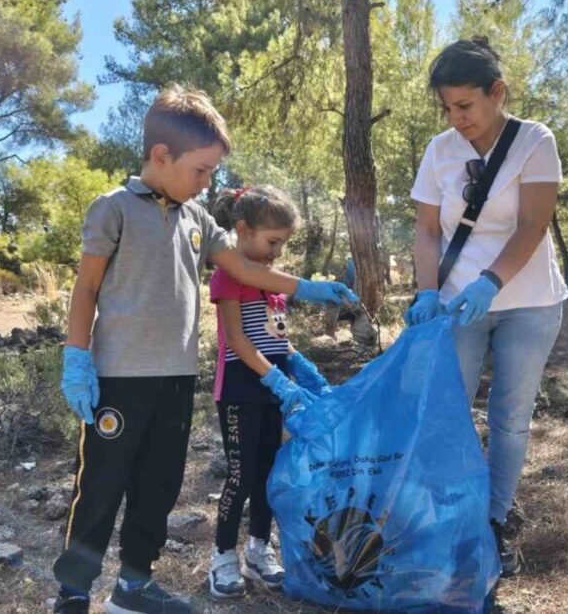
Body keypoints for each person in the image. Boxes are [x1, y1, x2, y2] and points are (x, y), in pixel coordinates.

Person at [51, 85, 357, 614]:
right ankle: (74, 593)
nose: (207, 181)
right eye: (201, 170)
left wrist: (302, 286)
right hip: (118, 380)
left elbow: (244, 268)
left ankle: (134, 586)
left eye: (213, 171)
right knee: (101, 486)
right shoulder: (114, 208)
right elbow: (86, 288)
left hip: (175, 380)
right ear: (161, 156)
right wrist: (76, 358)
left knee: (159, 485)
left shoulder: (198, 220)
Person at [405, 36, 568, 578]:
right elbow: (428, 229)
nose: (456, 118)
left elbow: (532, 226)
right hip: (458, 307)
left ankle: (495, 518)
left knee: (510, 416)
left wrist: (491, 282)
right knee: (448, 410)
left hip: (529, 301)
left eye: (465, 106)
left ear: (497, 92)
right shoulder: (440, 151)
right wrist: (428, 290)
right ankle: (451, 514)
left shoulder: (533, 142)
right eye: (447, 108)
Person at [205, 186, 333, 600]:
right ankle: (222, 556)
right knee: (242, 475)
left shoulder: (273, 284)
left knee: (269, 472)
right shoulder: (229, 275)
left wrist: (300, 367)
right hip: (242, 390)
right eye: (272, 241)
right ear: (242, 230)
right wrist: (275, 379)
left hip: (272, 391)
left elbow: (278, 337)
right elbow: (238, 341)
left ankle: (259, 549)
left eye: (282, 243)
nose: (277, 252)